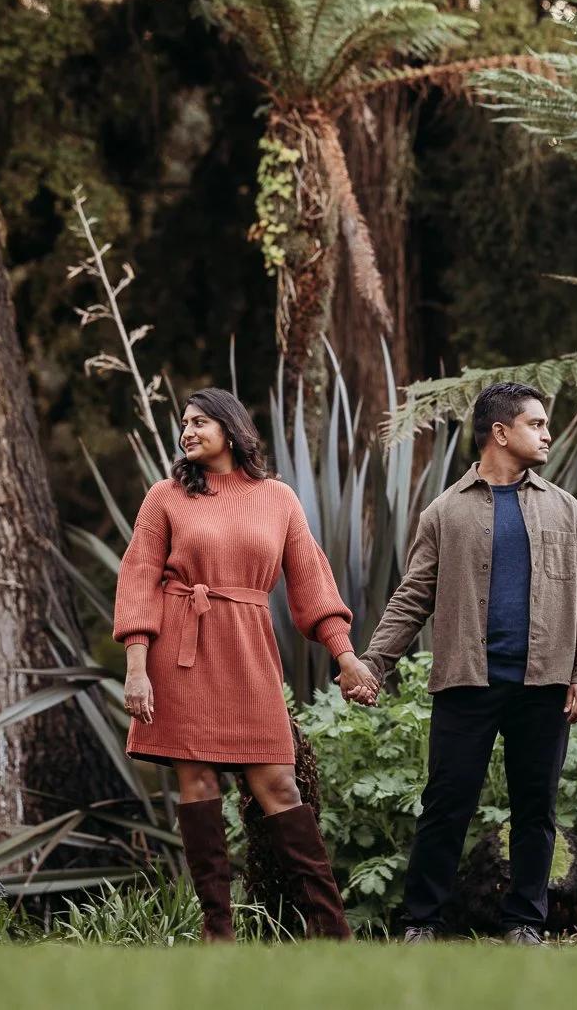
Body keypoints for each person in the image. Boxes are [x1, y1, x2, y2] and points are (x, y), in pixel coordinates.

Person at [113, 387, 380, 942]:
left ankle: (332, 932)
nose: (187, 431)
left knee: (279, 784)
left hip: (250, 652)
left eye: (200, 422)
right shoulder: (164, 497)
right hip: (181, 654)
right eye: (183, 423)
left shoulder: (277, 498)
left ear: (231, 429)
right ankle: (218, 931)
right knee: (199, 781)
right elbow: (137, 580)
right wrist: (137, 667)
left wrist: (346, 656)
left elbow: (311, 580)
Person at [361, 381, 577, 945]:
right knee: (445, 806)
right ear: (500, 432)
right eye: (536, 424)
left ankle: (525, 922)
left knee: (535, 810)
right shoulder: (445, 512)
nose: (548, 434)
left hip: (543, 684)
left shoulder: (566, 510)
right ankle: (421, 923)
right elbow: (413, 594)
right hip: (466, 681)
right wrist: (375, 663)